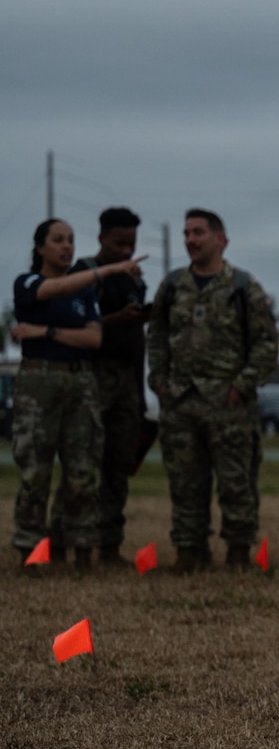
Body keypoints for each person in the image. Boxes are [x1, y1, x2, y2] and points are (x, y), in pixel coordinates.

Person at [148, 208, 279, 571]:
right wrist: (159, 381)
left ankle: (238, 551)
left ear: (221, 239)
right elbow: (156, 336)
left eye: (199, 232)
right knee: (185, 481)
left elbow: (266, 343)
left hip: (228, 404)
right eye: (186, 233)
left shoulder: (243, 286)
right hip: (181, 401)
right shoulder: (172, 285)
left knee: (237, 481)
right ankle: (189, 551)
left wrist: (242, 386)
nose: (190, 240)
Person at [10, 219, 118, 566]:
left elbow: (94, 339)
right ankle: (30, 550)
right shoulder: (28, 283)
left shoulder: (83, 292)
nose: (67, 246)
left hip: (80, 382)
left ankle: (77, 545)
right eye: (58, 240)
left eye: (71, 240)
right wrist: (106, 271)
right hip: (39, 383)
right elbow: (51, 290)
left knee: (82, 470)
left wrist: (46, 331)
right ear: (40, 247)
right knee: (35, 471)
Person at [73, 207, 151, 564]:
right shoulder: (84, 274)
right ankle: (75, 544)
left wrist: (140, 393)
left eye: (131, 244)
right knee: (82, 465)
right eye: (119, 243)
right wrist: (117, 318)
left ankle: (109, 545)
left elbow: (137, 340)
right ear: (101, 238)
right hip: (91, 375)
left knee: (119, 464)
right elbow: (73, 326)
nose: (126, 251)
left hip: (126, 380)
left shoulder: (133, 279)